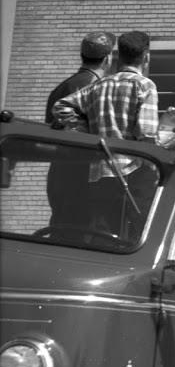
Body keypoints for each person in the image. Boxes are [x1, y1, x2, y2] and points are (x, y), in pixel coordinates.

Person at [52, 31, 160, 240]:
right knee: (135, 238)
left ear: (118, 57)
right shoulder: (144, 85)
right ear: (146, 57)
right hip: (133, 174)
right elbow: (147, 134)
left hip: (100, 174)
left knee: (103, 236)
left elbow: (61, 107)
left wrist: (88, 130)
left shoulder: (99, 85)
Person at [43, 31, 115, 229]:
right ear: (108, 59)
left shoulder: (60, 88)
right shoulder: (98, 89)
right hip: (85, 179)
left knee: (60, 235)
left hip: (58, 175)